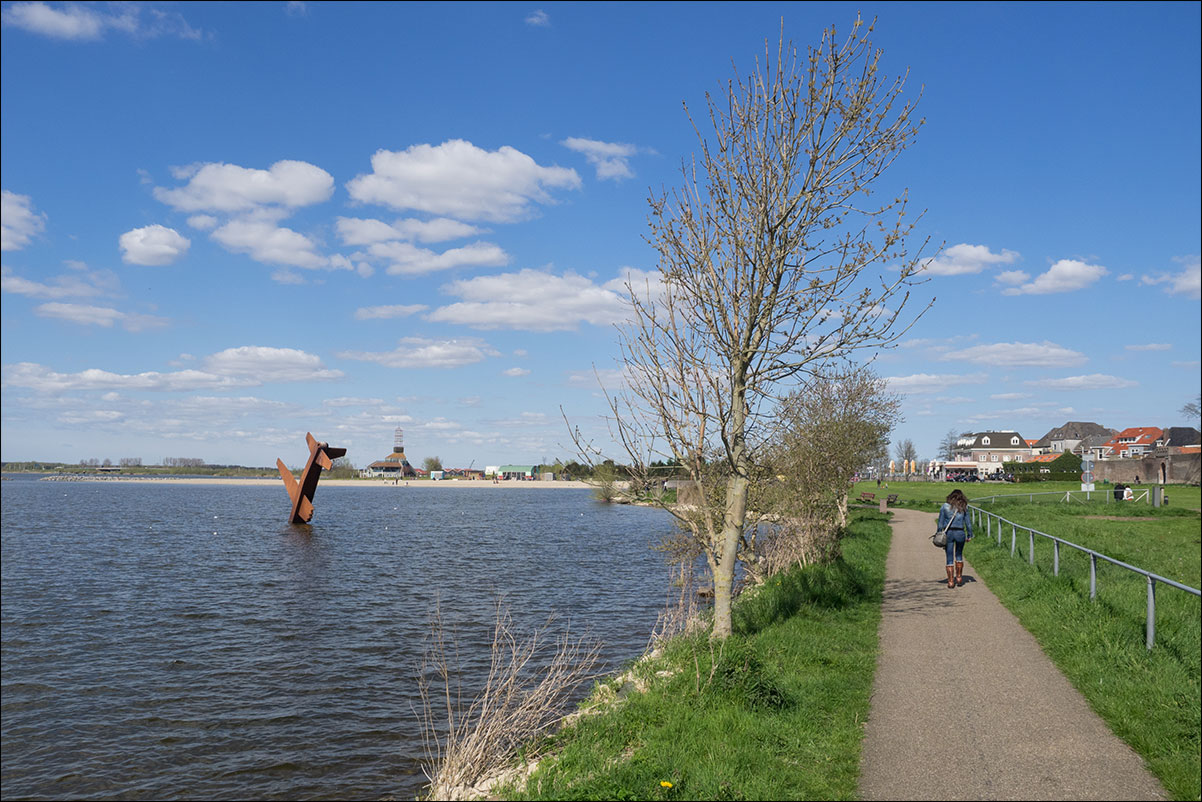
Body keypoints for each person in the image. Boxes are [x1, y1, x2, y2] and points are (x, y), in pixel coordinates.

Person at [937, 488, 973, 588]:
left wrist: (938, 534)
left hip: (949, 533)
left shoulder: (944, 507)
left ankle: (950, 581)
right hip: (960, 532)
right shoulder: (964, 507)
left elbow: (940, 523)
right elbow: (968, 524)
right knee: (959, 554)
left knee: (949, 556)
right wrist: (970, 535)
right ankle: (959, 577)